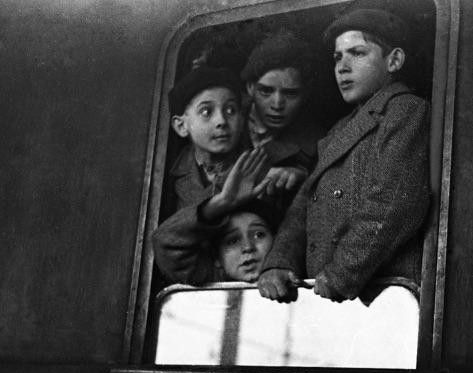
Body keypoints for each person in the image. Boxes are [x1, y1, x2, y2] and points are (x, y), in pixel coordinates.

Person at [257, 8, 431, 305]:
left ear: (394, 61)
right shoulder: (340, 129)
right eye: (338, 57)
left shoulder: (405, 110)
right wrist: (280, 262)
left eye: (357, 53)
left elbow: (394, 205)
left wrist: (342, 272)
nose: (343, 67)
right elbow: (305, 203)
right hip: (336, 301)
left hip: (384, 301)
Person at [153, 149, 277, 284]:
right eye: (232, 241)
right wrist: (220, 203)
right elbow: (165, 242)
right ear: (217, 258)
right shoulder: (211, 278)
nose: (248, 247)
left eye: (259, 234)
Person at [241, 32, 326, 202]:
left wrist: (305, 178)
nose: (277, 104)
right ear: (250, 87)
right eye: (266, 91)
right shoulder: (223, 118)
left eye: (290, 93)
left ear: (306, 93)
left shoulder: (319, 141)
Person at [167, 66, 245, 210]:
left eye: (230, 110)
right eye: (206, 112)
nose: (221, 121)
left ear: (241, 119)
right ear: (181, 126)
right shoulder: (168, 177)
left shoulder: (262, 170)